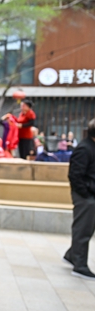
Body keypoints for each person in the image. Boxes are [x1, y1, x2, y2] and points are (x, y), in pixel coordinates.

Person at [64, 118, 95, 280]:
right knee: (83, 229)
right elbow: (75, 174)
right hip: (85, 196)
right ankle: (80, 265)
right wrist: (86, 193)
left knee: (87, 228)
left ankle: (72, 255)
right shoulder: (84, 148)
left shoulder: (90, 147)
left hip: (89, 194)